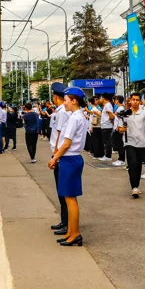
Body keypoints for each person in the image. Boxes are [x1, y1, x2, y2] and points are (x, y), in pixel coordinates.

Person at [48, 87, 88, 247]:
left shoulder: (74, 118)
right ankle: (71, 232)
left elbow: (66, 143)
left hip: (69, 159)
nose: (63, 103)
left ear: (74, 101)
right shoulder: (78, 116)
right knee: (69, 197)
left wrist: (54, 158)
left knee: (70, 199)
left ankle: (75, 233)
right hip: (71, 159)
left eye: (65, 100)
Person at [119, 93, 145, 198]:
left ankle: (136, 185)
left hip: (141, 143)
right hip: (129, 142)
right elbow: (119, 129)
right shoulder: (125, 114)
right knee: (132, 163)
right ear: (130, 101)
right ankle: (134, 187)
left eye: (137, 100)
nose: (135, 101)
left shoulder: (144, 113)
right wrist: (123, 129)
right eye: (133, 99)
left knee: (138, 165)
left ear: (140, 101)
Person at [49, 83, 70, 236]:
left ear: (55, 96)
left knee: (63, 191)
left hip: (60, 156)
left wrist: (55, 156)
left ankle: (67, 223)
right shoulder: (60, 110)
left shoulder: (62, 112)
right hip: (59, 155)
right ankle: (64, 220)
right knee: (61, 190)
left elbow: (60, 135)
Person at [97, 94, 116, 162]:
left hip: (107, 126)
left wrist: (111, 122)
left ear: (104, 98)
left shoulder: (108, 105)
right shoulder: (107, 105)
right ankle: (106, 155)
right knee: (106, 141)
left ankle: (108, 156)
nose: (100, 99)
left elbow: (111, 115)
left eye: (101, 98)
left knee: (107, 141)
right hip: (105, 125)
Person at [112, 95, 127, 167]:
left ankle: (122, 159)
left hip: (119, 128)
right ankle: (120, 158)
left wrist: (118, 127)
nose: (114, 101)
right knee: (117, 144)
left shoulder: (121, 108)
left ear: (118, 100)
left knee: (120, 144)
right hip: (116, 128)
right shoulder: (119, 108)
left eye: (115, 99)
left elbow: (121, 119)